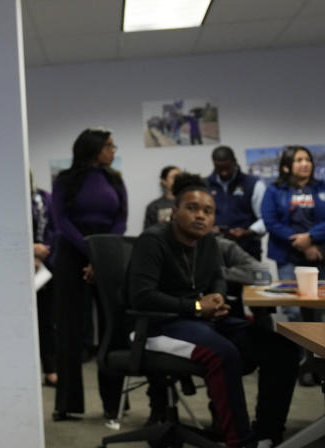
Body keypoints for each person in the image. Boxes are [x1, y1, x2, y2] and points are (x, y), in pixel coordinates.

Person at [129, 173, 299, 448]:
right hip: (158, 325)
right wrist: (197, 306)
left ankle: (267, 433)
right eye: (192, 208)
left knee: (281, 346)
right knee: (223, 353)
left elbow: (218, 275)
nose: (201, 216)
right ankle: (240, 442)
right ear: (174, 212)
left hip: (199, 321)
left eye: (208, 211)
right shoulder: (152, 241)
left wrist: (218, 296)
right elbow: (142, 297)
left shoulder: (207, 240)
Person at [51, 128, 126, 426]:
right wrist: (90, 252)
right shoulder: (65, 180)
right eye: (109, 145)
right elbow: (61, 220)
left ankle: (114, 404)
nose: (113, 150)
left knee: (112, 328)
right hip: (71, 252)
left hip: (107, 254)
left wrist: (102, 254)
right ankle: (67, 404)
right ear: (93, 148)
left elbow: (121, 218)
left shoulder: (114, 179)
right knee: (69, 329)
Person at [261, 145, 325, 325]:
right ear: (286, 166)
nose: (305, 164)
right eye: (299, 160)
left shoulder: (321, 187)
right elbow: (270, 221)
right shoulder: (274, 190)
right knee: (293, 309)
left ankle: (318, 352)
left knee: (320, 307)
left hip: (319, 254)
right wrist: (301, 242)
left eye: (308, 160)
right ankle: (300, 353)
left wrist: (311, 238)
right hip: (287, 255)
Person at [209, 146, 267, 261]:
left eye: (227, 167)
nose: (224, 172)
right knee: (220, 279)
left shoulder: (254, 184)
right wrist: (209, 229)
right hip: (216, 252)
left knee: (262, 279)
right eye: (219, 168)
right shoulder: (206, 185)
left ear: (234, 161)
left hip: (250, 250)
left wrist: (248, 232)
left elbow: (266, 218)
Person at [31, 174, 58, 388]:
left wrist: (40, 253)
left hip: (44, 267)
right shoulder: (5, 198)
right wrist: (29, 249)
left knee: (46, 321)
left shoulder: (44, 198)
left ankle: (50, 369)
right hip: (14, 266)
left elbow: (56, 229)